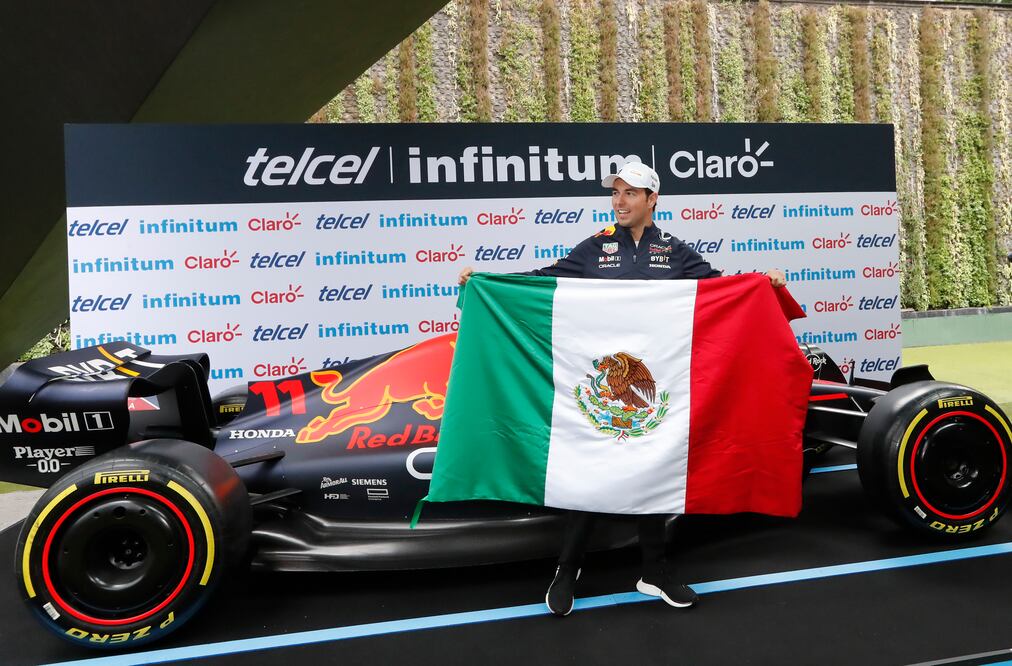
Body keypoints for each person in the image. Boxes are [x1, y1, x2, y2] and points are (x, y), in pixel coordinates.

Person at [458, 162, 786, 616]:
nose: (619, 201)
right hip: (597, 385)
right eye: (616, 193)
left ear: (652, 200)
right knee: (591, 473)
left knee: (651, 473)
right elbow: (547, 280)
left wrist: (762, 284)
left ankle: (654, 571)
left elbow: (722, 286)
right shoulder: (596, 247)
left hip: (655, 386)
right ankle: (566, 570)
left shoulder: (674, 251)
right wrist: (486, 283)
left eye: (630, 193)